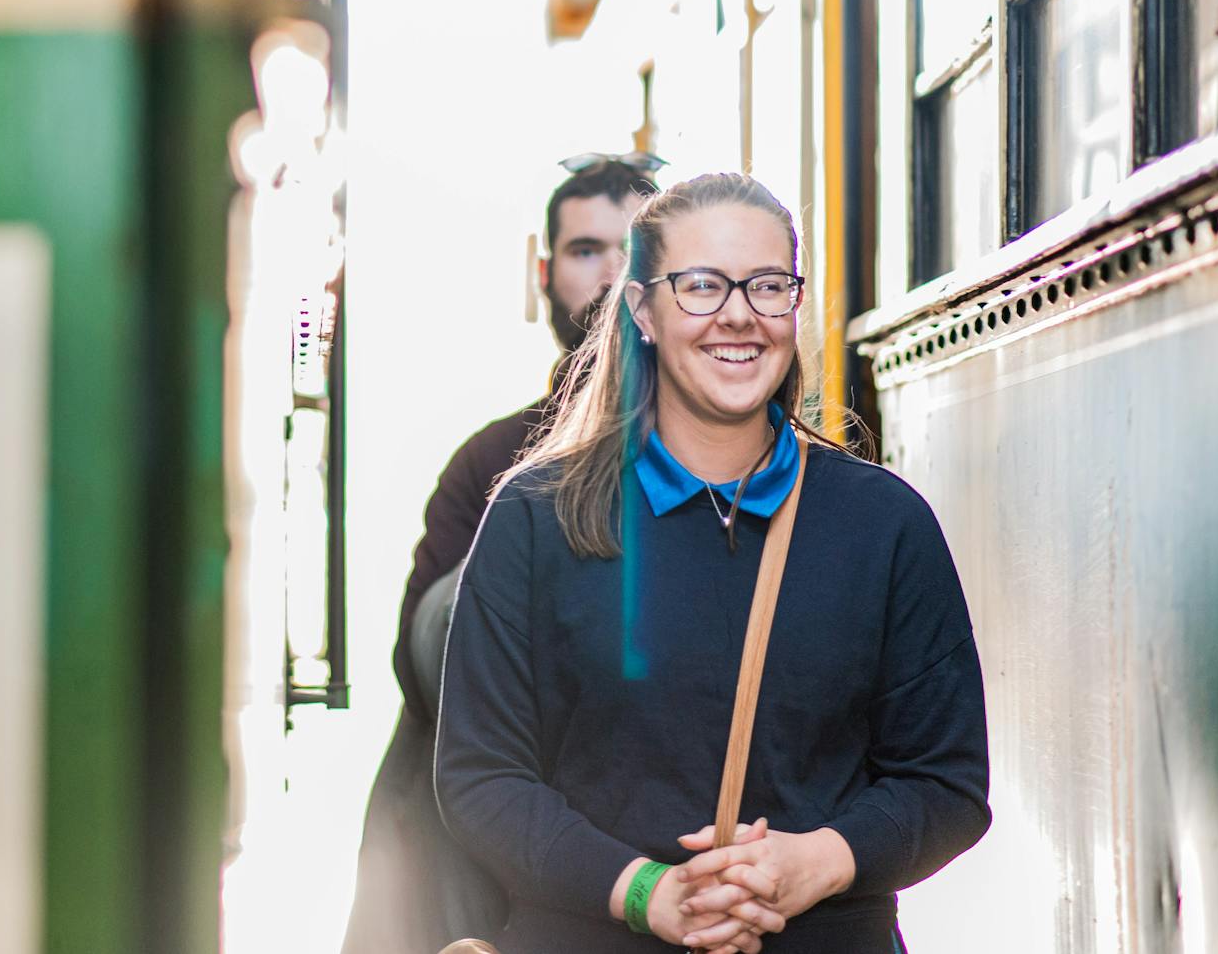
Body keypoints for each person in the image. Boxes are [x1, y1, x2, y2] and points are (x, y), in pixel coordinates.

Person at [435, 172, 990, 953]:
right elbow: (480, 777)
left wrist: (818, 863)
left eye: (768, 286)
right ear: (642, 312)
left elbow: (948, 784)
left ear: (795, 305)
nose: (738, 315)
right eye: (700, 286)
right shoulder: (535, 515)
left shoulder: (885, 523)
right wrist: (645, 893)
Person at [340, 153, 661, 954]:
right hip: (503, 825)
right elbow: (425, 663)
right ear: (544, 276)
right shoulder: (490, 464)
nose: (613, 274)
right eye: (589, 251)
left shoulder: (739, 464)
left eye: (638, 252)